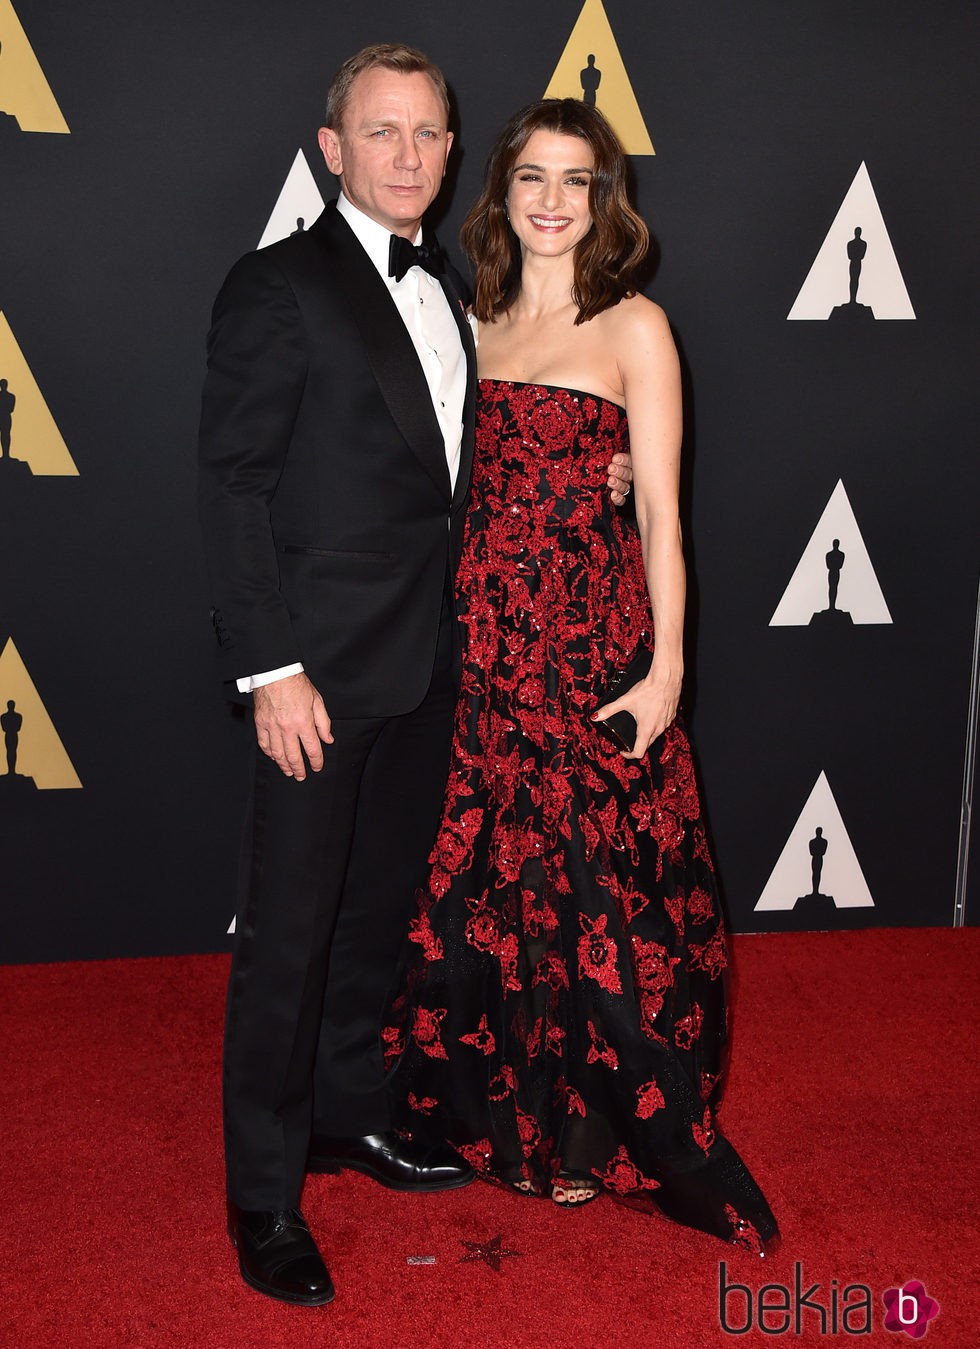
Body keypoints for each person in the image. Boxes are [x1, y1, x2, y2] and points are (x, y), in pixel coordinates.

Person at [198, 48, 631, 1307]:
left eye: (427, 134)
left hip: (434, 665)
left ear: (452, 155)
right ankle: (264, 1194)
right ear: (331, 149)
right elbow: (230, 491)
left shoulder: (449, 289)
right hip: (316, 679)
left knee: (374, 914)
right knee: (287, 934)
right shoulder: (276, 286)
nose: (404, 155)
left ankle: (346, 1114)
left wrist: (598, 469)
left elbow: (482, 460)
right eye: (378, 133)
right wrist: (271, 668)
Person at [385, 98, 779, 1256]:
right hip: (477, 647)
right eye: (532, 179)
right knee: (484, 886)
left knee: (599, 892)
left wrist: (666, 670)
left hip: (589, 643)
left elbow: (660, 513)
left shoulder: (634, 328)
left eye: (578, 181)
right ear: (498, 194)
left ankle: (591, 1135)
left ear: (606, 203)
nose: (553, 201)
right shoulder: (467, 321)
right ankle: (492, 1121)